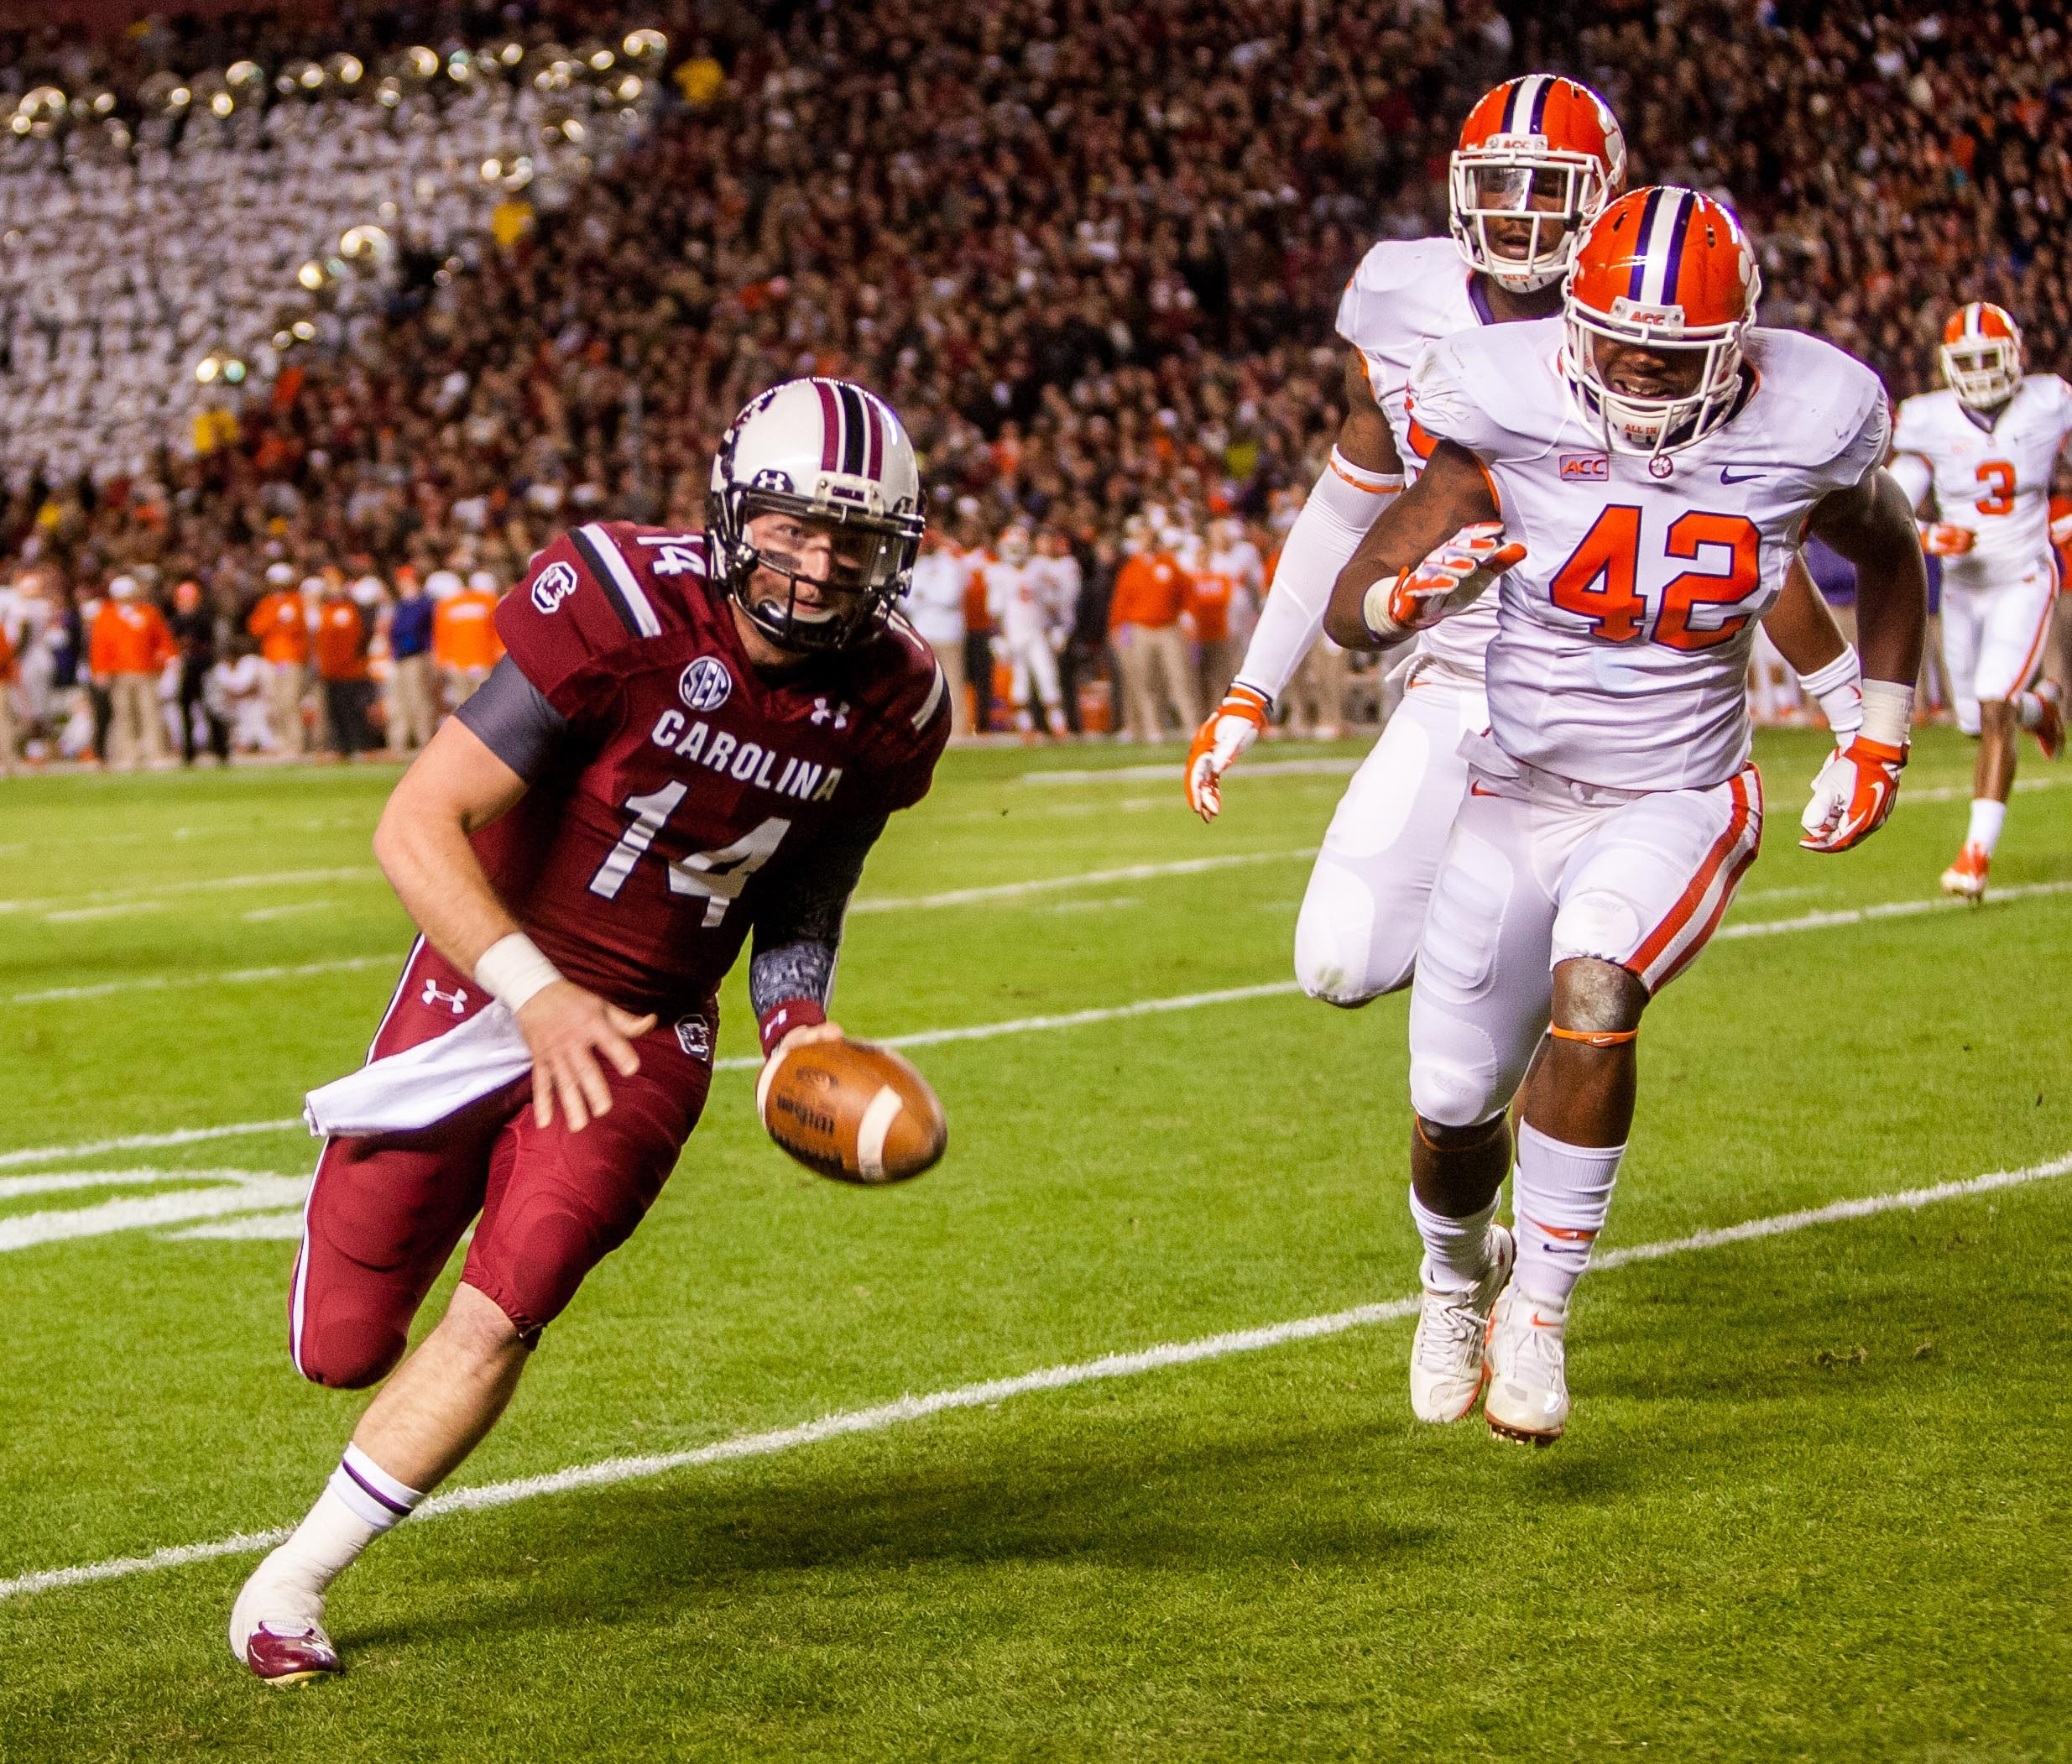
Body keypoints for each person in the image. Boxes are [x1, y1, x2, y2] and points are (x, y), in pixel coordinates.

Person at [228, 378, 950, 1683]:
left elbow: (802, 895)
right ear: (737, 511)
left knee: (512, 1301)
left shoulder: (893, 698)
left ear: (896, 551)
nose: (819, 559)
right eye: (793, 523)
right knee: (341, 1347)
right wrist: (533, 990)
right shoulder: (621, 604)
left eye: (854, 537)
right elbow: (415, 820)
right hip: (484, 983)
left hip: (645, 1033)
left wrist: (794, 1023)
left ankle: (293, 1583)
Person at [1323, 187, 1926, 1445]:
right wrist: (1405, 602)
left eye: (1676, 350)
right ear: (1573, 323)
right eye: (1618, 339)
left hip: (1680, 789)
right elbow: (1351, 600)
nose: (1641, 370)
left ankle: (1538, 1311)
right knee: (1449, 1102)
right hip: (1516, 784)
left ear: (1740, 342)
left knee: (1597, 986)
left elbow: (1888, 554)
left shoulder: (1809, 415)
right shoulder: (1506, 399)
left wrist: (1875, 724)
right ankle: (1452, 1281)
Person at [1887, 303, 2070, 901]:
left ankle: (1974, 856)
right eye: (1967, 361)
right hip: (1964, 588)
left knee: (1992, 704)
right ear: (1946, 365)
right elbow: (1891, 509)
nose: (1981, 371)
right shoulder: (1927, 419)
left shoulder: (2049, 402)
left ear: (2015, 356)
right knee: (1976, 719)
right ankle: (2040, 708)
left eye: (1989, 358)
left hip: (2023, 575)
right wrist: (1926, 534)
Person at [1108, 521, 1199, 740]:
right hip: (1141, 630)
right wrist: (1116, 627)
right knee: (1146, 680)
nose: (1146, 541)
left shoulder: (1168, 564)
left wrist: (1189, 616)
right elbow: (1120, 602)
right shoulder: (1130, 569)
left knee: (1180, 677)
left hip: (1168, 627)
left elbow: (1186, 592)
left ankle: (1192, 725)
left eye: (1149, 537)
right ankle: (1153, 728)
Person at [984, 523, 1068, 738]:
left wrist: (1056, 628)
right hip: (1014, 635)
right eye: (1011, 547)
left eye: (1018, 547)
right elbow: (995, 611)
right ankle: (1025, 726)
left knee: (1047, 676)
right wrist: (997, 637)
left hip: (1037, 632)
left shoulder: (1038, 568)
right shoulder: (998, 572)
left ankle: (1058, 724)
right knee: (1019, 682)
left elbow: (1051, 603)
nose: (1015, 552)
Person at [90, 575, 176, 770]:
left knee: (150, 713)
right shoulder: (106, 615)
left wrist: (171, 657)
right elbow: (99, 645)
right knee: (124, 715)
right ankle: (128, 756)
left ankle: (155, 754)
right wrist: (100, 670)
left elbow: (162, 638)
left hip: (146, 672)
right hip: (119, 673)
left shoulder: (148, 613)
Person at [903, 525, 973, 737]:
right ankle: (925, 730)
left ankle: (957, 731)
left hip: (948, 633)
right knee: (923, 684)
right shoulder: (918, 565)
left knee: (953, 682)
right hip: (923, 632)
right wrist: (926, 595)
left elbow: (949, 596)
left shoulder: (950, 564)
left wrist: (925, 595)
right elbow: (906, 601)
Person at [248, 561, 311, 757]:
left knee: (290, 703)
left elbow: (298, 628)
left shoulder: (295, 601)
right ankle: (282, 742)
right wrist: (276, 618)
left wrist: (276, 623)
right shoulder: (268, 603)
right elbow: (256, 627)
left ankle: (295, 744)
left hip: (290, 659)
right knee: (275, 703)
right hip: (272, 659)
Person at [316, 575, 378, 759]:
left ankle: (361, 745)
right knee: (336, 712)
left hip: (352, 670)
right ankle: (341, 748)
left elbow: (364, 637)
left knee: (355, 710)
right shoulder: (324, 610)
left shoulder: (355, 609)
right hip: (330, 671)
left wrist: (359, 661)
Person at [168, 579, 227, 765]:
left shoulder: (204, 618)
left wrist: (188, 645)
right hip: (185, 670)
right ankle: (189, 752)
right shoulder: (176, 620)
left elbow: (205, 643)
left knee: (211, 708)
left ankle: (221, 750)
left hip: (203, 668)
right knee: (185, 711)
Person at [431, 567, 503, 707]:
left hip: (482, 661)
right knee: (462, 705)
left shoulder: (487, 600)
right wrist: (442, 659)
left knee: (485, 704)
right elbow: (442, 634)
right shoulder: (447, 605)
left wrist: (498, 651)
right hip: (459, 663)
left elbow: (495, 629)